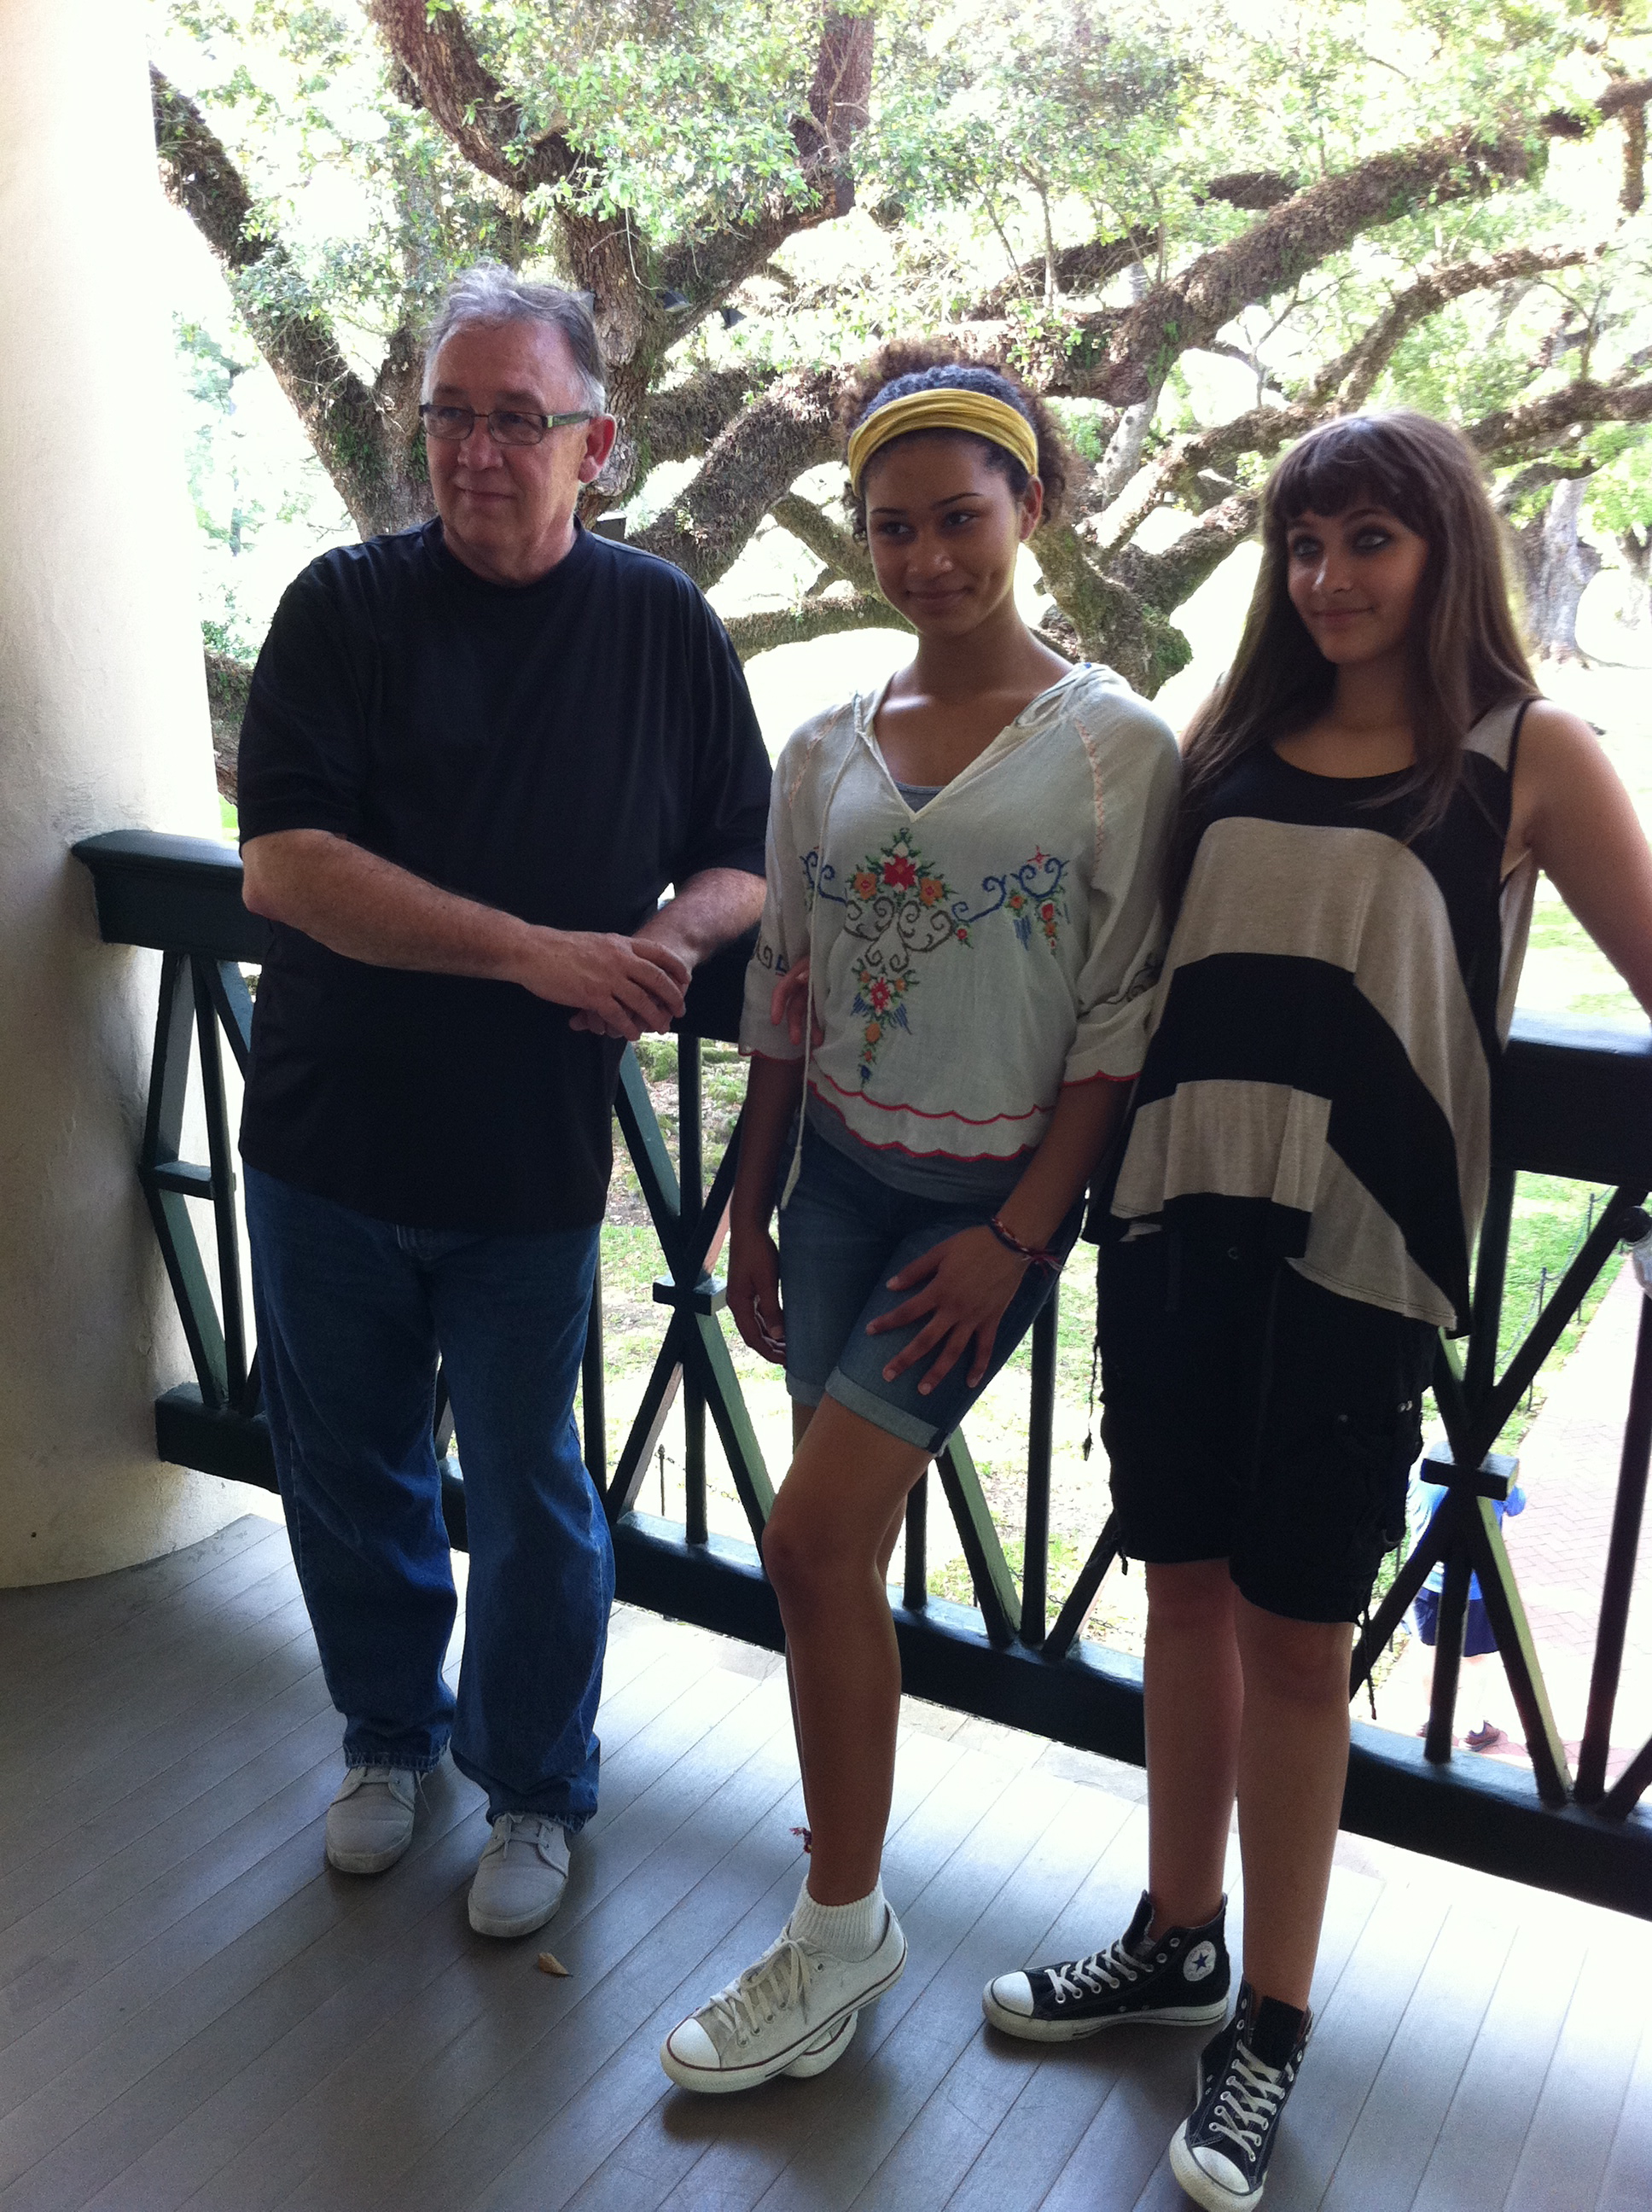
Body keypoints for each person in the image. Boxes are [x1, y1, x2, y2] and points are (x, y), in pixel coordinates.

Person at [980, 409, 1652, 2212]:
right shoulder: (1231, 739)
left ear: (1443, 556)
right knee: (1180, 1594)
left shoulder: (1526, 757)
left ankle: (1264, 2024)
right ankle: (1173, 1937)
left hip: (1360, 1261)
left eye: (1369, 541)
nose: (1329, 577)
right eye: (1302, 544)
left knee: (1296, 1637)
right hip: (1175, 1224)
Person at [657, 348, 1180, 2093]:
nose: (927, 557)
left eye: (961, 517)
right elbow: (786, 997)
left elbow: (1114, 1022)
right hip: (838, 1192)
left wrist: (1022, 1236)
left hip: (975, 1210)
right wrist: (749, 1212)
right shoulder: (823, 746)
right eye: (892, 528)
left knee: (806, 1549)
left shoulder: (1113, 748)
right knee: (833, 1571)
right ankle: (844, 1902)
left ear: (1028, 509)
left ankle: (832, 1936)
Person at [236, 265, 771, 1939]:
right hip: (326, 1135)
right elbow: (288, 867)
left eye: (514, 419)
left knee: (532, 1488)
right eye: (450, 414)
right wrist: (543, 955)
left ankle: (534, 1787)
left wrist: (663, 943)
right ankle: (389, 1743)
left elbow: (742, 858)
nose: (475, 449)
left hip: (529, 1161)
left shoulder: (658, 624)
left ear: (592, 443)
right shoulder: (343, 607)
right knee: (349, 1467)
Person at [1408, 1469, 1527, 1751]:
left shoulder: (1420, 1471)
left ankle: (1430, 1720)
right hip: (1475, 1587)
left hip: (1425, 1581)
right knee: (1476, 1659)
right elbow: (1517, 1504)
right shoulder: (1491, 1476)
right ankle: (1474, 1728)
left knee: (1427, 1652)